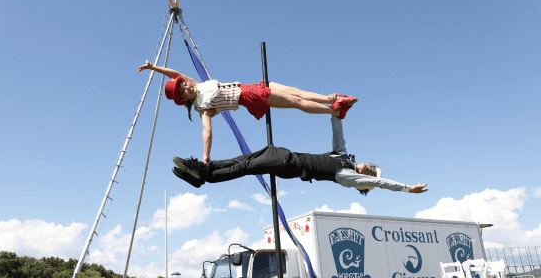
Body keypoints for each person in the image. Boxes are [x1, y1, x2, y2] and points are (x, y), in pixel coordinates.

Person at [137, 61, 357, 164]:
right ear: (184, 100)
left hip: (251, 86)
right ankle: (336, 112)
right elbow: (207, 132)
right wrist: (206, 157)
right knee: (295, 101)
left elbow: (175, 72)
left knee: (296, 92)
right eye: (183, 91)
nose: (186, 87)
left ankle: (334, 99)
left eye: (183, 85)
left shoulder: (199, 86)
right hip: (249, 96)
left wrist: (153, 68)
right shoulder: (202, 106)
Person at [171, 116, 428, 195]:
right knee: (244, 160)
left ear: (364, 179)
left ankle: (203, 175)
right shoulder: (343, 157)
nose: (369, 168)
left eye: (370, 172)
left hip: (289, 164)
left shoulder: (347, 176)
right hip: (284, 154)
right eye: (372, 166)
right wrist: (337, 111)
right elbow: (338, 133)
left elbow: (380, 183)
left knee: (246, 167)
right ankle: (200, 172)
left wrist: (407, 189)